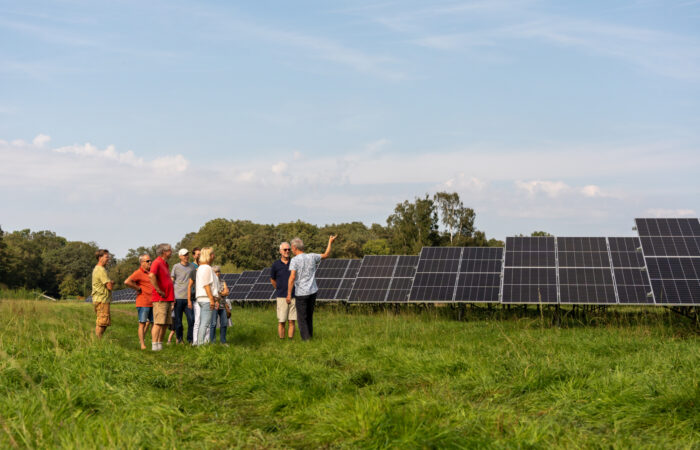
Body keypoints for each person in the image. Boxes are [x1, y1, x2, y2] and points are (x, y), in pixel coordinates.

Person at [287, 235, 337, 341]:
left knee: (302, 318)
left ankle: (306, 340)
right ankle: (310, 337)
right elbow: (326, 254)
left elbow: (292, 278)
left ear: (295, 248)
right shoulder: (312, 256)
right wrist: (330, 242)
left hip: (301, 293)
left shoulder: (294, 260)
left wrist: (288, 294)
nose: (291, 250)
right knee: (309, 316)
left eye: (291, 248)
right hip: (313, 291)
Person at [148, 243, 175, 351]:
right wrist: (158, 290)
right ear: (164, 252)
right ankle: (154, 345)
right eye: (169, 250)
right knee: (158, 322)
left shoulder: (165, 264)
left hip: (168, 298)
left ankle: (160, 343)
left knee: (165, 323)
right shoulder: (157, 262)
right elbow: (151, 275)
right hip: (160, 298)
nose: (171, 252)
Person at [124, 254, 154, 349]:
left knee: (154, 323)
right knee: (142, 323)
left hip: (153, 302)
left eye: (150, 261)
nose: (150, 262)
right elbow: (127, 281)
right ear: (142, 263)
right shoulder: (138, 273)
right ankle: (142, 344)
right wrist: (137, 288)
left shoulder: (151, 272)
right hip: (143, 302)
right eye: (147, 261)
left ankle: (154, 343)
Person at [271, 242, 296, 339]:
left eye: (289, 249)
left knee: (292, 320)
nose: (287, 251)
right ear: (280, 251)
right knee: (282, 321)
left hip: (294, 295)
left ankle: (290, 340)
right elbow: (272, 279)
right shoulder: (276, 265)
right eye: (285, 250)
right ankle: (281, 340)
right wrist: (279, 288)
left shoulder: (294, 262)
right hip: (281, 296)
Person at [195, 247, 219, 346]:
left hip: (202, 298)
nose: (214, 256)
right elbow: (206, 284)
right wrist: (211, 299)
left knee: (203, 322)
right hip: (206, 298)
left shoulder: (201, 268)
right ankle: (200, 344)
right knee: (205, 323)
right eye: (212, 254)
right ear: (209, 256)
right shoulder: (207, 268)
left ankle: (200, 343)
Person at [171, 248, 195, 344]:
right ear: (180, 256)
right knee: (178, 322)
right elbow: (171, 281)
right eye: (184, 255)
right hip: (178, 298)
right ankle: (180, 339)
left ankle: (190, 340)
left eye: (187, 255)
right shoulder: (176, 267)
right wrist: (172, 297)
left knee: (191, 320)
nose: (186, 257)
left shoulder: (192, 267)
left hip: (188, 298)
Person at [91, 249, 114, 338]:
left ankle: (98, 341)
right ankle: (97, 342)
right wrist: (111, 282)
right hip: (102, 299)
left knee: (103, 322)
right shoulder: (101, 270)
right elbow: (109, 286)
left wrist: (110, 282)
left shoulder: (98, 269)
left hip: (99, 299)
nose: (108, 259)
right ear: (100, 258)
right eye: (106, 257)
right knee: (102, 322)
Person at [209, 265, 231, 344]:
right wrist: (222, 293)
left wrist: (219, 293)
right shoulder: (211, 282)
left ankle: (223, 341)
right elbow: (212, 293)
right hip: (214, 305)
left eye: (218, 271)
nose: (217, 273)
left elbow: (227, 292)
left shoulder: (222, 281)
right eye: (215, 272)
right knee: (213, 324)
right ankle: (212, 342)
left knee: (224, 323)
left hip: (222, 305)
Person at [187, 247, 201, 344]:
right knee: (192, 319)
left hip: (201, 295)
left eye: (200, 254)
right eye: (197, 254)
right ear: (193, 255)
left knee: (200, 319)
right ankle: (191, 339)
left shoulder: (204, 266)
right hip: (192, 296)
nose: (199, 256)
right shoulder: (191, 267)